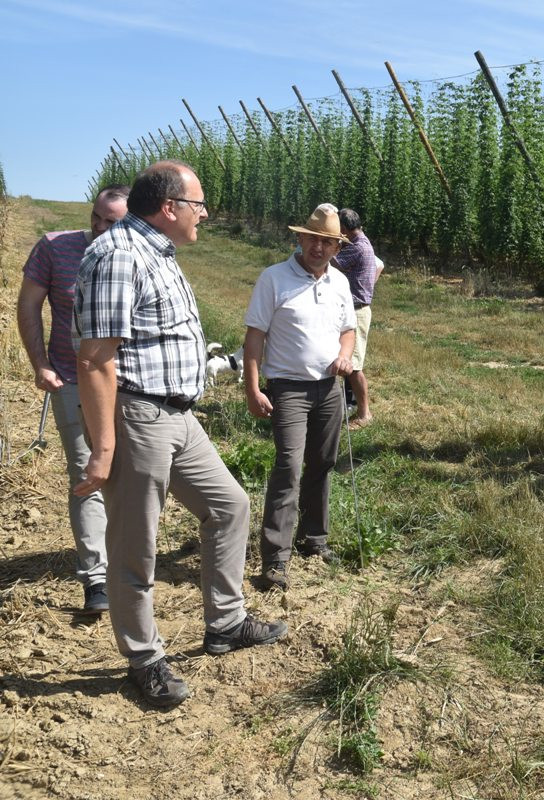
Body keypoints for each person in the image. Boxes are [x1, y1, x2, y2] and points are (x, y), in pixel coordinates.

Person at [73, 161, 287, 708]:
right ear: (169, 208)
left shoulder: (155, 252)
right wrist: (103, 450)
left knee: (229, 506)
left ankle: (225, 621)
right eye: (198, 204)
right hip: (139, 417)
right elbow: (96, 360)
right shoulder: (119, 255)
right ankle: (143, 659)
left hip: (179, 416)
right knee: (135, 547)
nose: (206, 214)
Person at [17, 185, 127, 615]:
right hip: (71, 379)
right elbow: (28, 306)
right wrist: (41, 364)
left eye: (111, 222)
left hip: (128, 384)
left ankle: (127, 560)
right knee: (87, 473)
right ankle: (96, 577)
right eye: (96, 217)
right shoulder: (55, 248)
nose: (99, 228)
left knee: (129, 472)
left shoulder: (136, 255)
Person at [244, 205, 356, 590]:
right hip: (288, 388)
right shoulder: (273, 279)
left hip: (329, 389)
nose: (319, 248)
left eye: (328, 242)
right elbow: (254, 337)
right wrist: (253, 387)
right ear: (300, 239)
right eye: (314, 239)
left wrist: (345, 356)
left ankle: (314, 538)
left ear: (337, 248)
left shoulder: (339, 282)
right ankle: (275, 557)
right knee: (288, 467)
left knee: (322, 463)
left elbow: (348, 329)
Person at [330, 208, 380, 429]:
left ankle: (364, 413)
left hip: (357, 311)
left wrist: (327, 244)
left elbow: (332, 263)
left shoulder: (357, 247)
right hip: (355, 308)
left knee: (354, 366)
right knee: (347, 362)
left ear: (343, 228)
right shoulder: (362, 242)